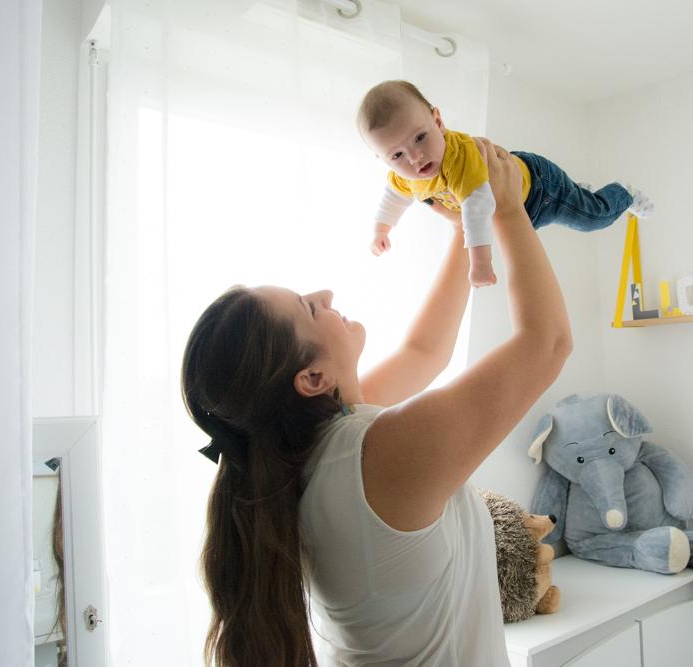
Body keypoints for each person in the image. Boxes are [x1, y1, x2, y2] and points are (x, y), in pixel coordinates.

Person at [181, 137, 572, 666]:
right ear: (313, 377)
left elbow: (425, 351)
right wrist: (504, 209)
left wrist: (466, 226)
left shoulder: (309, 449)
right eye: (307, 307)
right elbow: (545, 343)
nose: (325, 295)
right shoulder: (377, 454)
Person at [359, 80, 654, 287]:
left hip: (540, 191)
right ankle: (579, 191)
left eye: (420, 137)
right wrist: (381, 230)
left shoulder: (458, 157)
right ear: (382, 159)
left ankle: (623, 193)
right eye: (397, 154)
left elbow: (477, 208)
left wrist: (481, 263)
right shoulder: (404, 176)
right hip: (520, 204)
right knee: (577, 201)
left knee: (591, 219)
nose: (415, 157)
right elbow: (394, 197)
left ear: (438, 122)